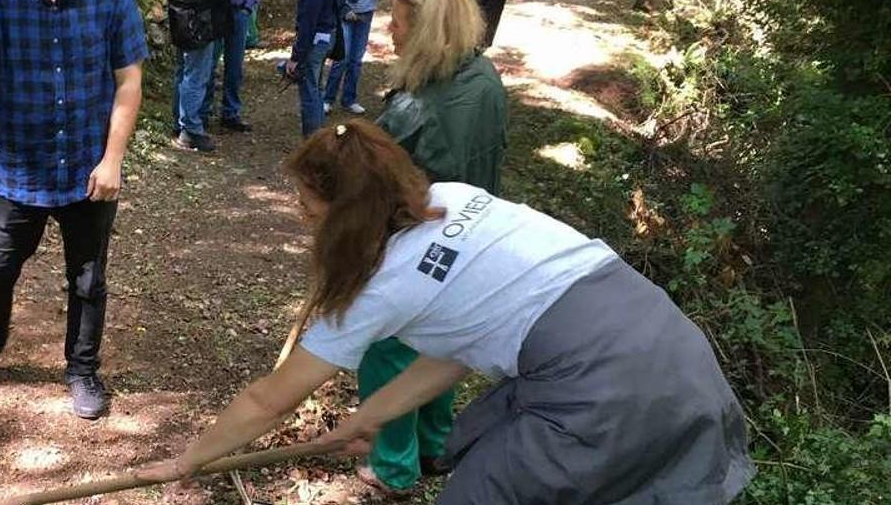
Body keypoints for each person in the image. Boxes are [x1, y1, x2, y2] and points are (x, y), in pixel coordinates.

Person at [139, 121, 755, 504]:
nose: (302, 217)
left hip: (600, 386)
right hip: (667, 340)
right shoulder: (453, 199)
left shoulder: (379, 285)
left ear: (344, 212)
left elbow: (269, 401)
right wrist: (368, 417)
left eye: (307, 205)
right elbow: (457, 345)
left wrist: (192, 458)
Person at [0, 0, 148, 421]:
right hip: (16, 173)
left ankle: (82, 370)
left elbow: (129, 81)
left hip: (88, 172)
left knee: (88, 280)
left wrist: (113, 158)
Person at [349, 0, 509, 494]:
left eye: (395, 22)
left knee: (387, 346)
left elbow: (377, 185)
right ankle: (437, 445)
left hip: (422, 243)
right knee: (441, 343)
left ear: (420, 28)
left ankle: (394, 466)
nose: (389, 33)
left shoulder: (421, 106)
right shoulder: (482, 76)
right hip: (473, 239)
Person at [165, 0, 237, 151]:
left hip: (180, 12)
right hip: (198, 17)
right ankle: (190, 129)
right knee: (196, 74)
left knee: (183, 71)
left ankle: (180, 123)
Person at [322, 0, 391, 116]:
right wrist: (344, 9)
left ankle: (349, 99)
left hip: (366, 12)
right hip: (346, 13)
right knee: (341, 58)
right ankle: (328, 99)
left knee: (356, 60)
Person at [202, 0, 261, 133]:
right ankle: (204, 112)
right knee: (209, 63)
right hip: (216, 9)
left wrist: (247, 7)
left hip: (239, 10)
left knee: (235, 65)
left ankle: (230, 112)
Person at [287, 0, 341, 137]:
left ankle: (313, 140)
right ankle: (320, 135)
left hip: (316, 40)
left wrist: (296, 56)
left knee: (310, 90)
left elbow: (308, 22)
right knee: (317, 88)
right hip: (327, 37)